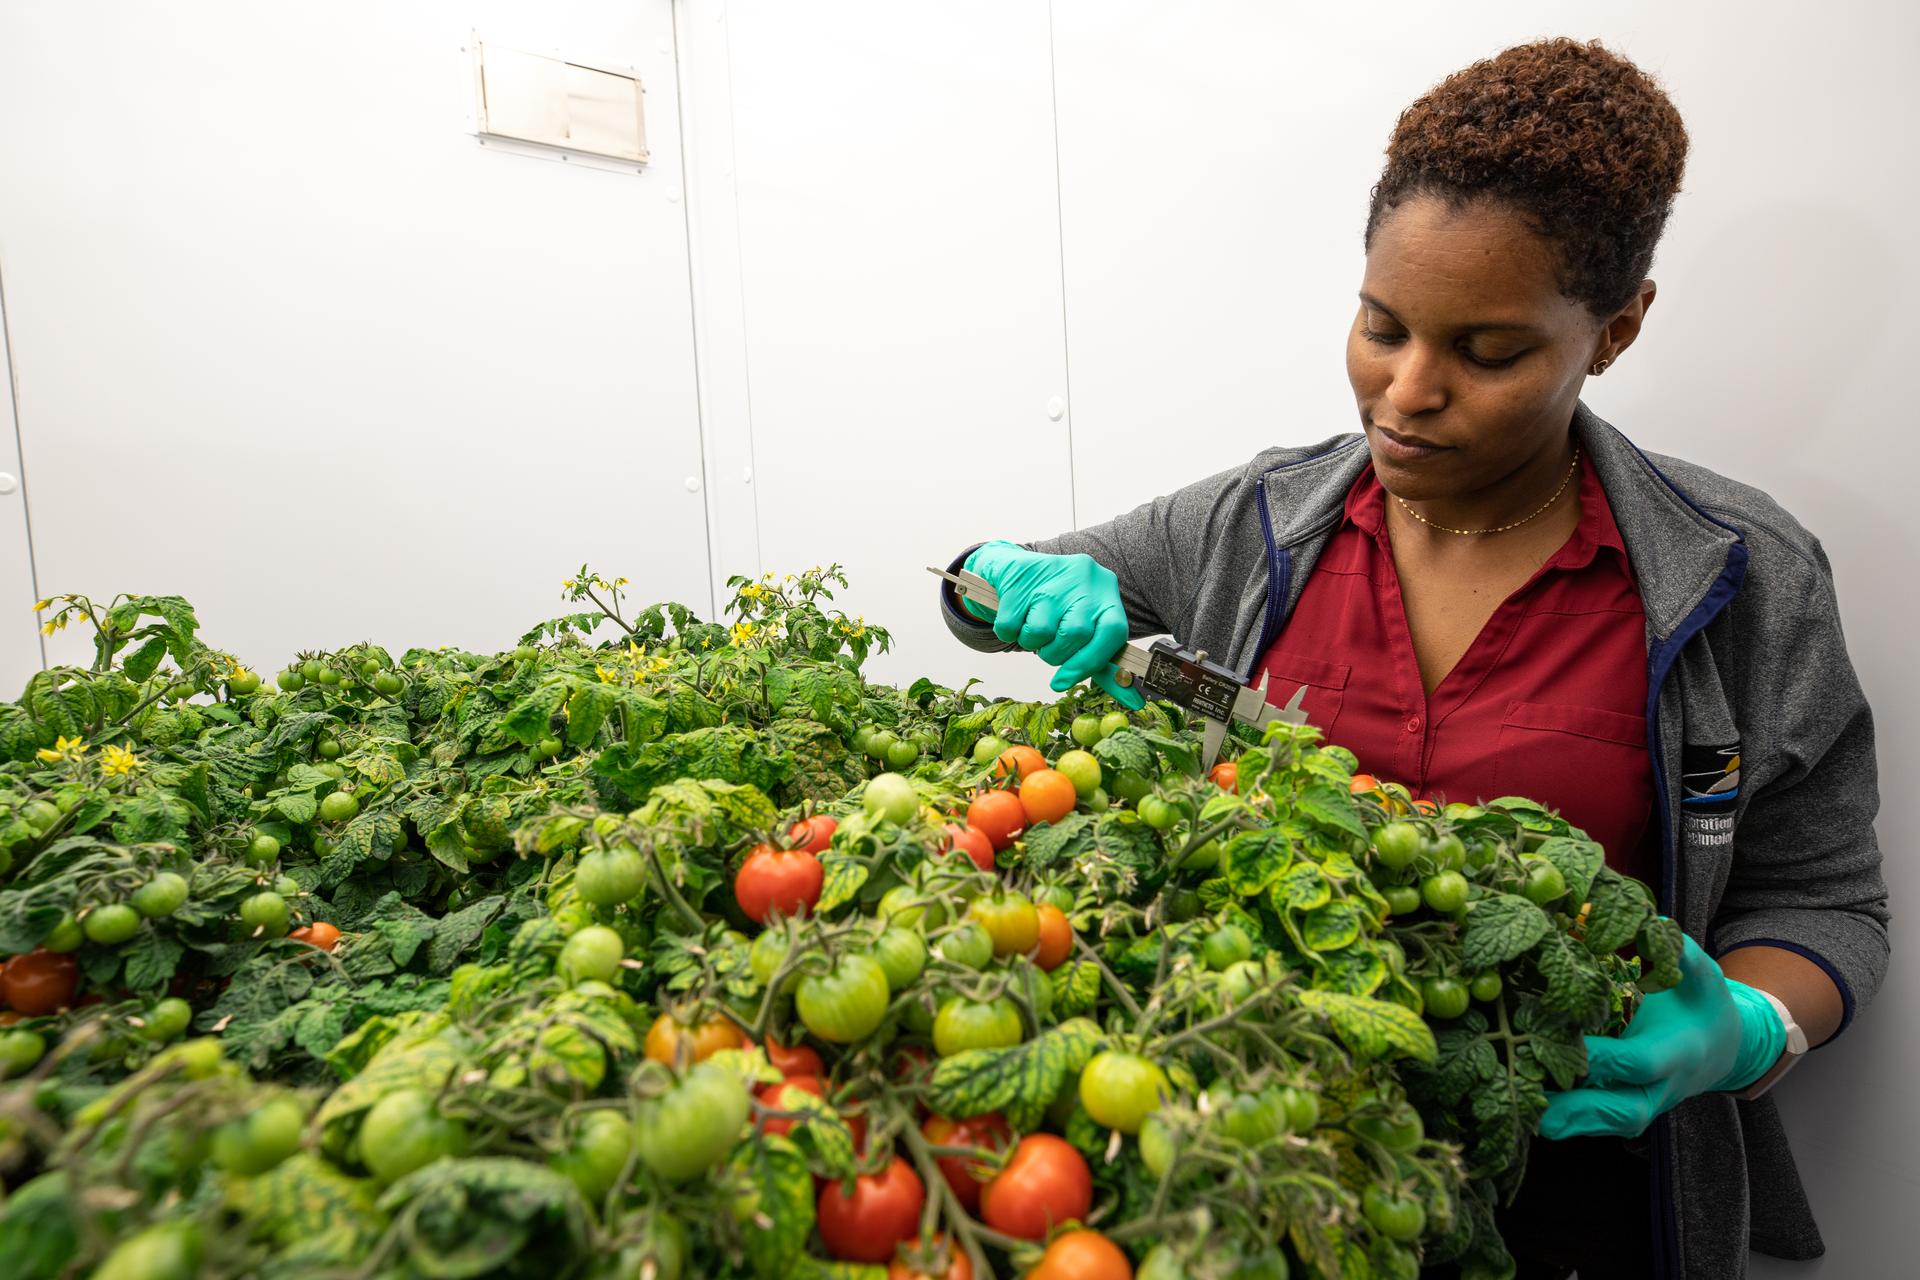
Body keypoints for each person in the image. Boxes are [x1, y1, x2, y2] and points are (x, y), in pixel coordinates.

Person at [936, 37, 1889, 1280]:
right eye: (1381, 326)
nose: (1405, 391)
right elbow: (973, 589)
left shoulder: (1737, 574)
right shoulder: (1256, 524)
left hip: (1577, 1195)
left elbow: (1827, 901)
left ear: (1615, 329)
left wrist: (1749, 1029)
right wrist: (1000, 570)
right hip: (1256, 1170)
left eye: (1488, 353)